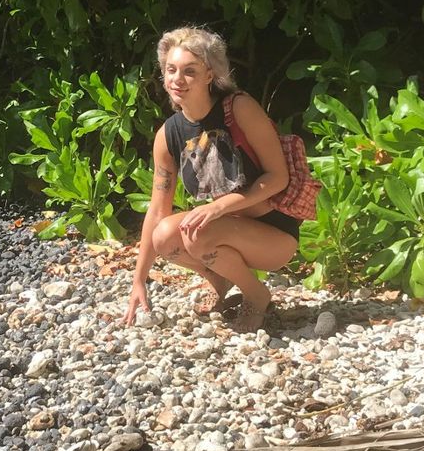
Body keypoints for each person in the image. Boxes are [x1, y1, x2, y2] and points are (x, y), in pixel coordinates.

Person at [123, 26, 301, 332]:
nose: (177, 79)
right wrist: (139, 280)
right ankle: (219, 279)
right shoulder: (168, 135)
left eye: (189, 71)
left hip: (274, 235)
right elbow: (157, 210)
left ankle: (256, 295)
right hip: (223, 229)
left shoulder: (239, 108)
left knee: (198, 233)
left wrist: (218, 207)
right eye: (171, 70)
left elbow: (278, 177)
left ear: (209, 75)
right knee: (164, 236)